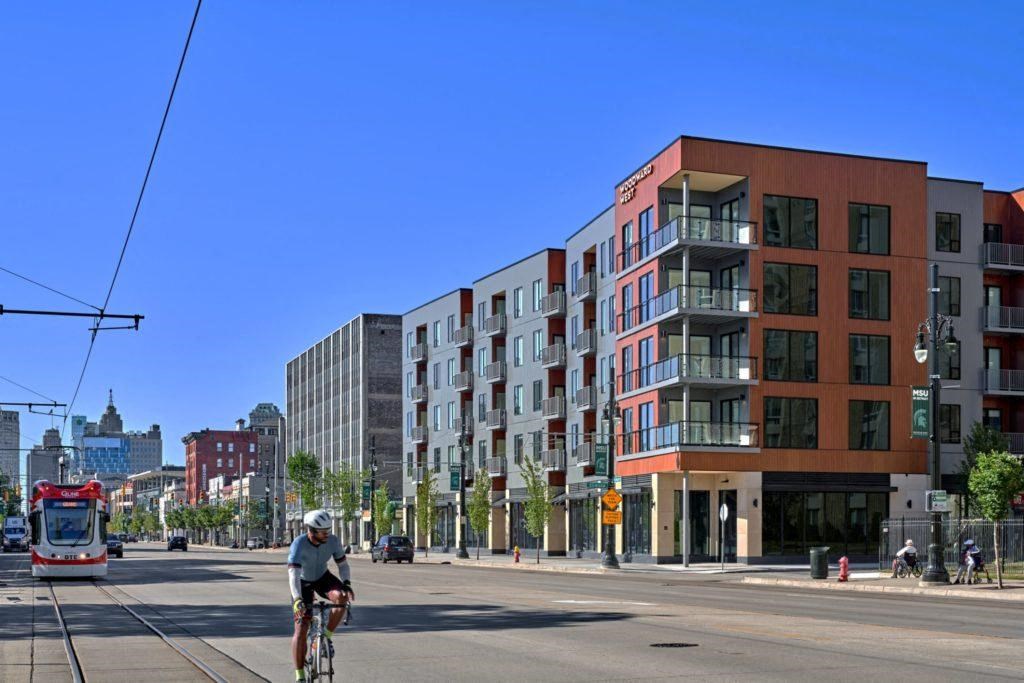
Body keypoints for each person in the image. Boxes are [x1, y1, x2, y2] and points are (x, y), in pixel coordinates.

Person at [288, 509, 354, 682]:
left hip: (323, 577)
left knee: (341, 598)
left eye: (328, 530)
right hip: (303, 582)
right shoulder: (298, 544)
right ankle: (300, 676)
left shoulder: (332, 541)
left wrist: (346, 584)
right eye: (323, 532)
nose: (327, 534)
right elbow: (293, 575)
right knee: (301, 628)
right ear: (311, 530)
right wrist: (297, 599)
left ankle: (325, 637)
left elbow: (343, 565)